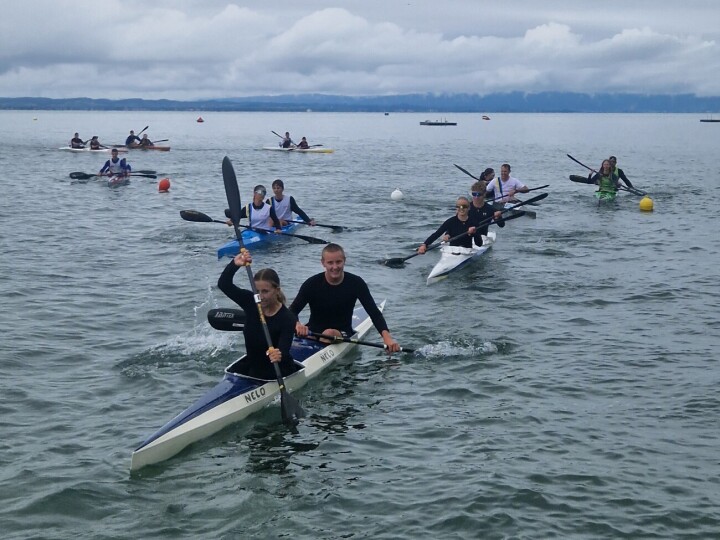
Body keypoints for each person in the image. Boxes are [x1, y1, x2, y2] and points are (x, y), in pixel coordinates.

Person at [290, 243, 401, 352]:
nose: (335, 267)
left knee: (328, 333)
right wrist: (297, 324)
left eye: (338, 262)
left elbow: (374, 313)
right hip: (313, 332)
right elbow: (292, 311)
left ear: (344, 261)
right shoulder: (311, 283)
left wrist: (387, 338)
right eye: (330, 263)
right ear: (323, 263)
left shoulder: (356, 283)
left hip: (342, 332)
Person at [218, 250, 299, 380]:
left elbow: (283, 350)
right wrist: (235, 264)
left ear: (277, 291)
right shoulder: (251, 301)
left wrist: (278, 355)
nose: (260, 297)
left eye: (265, 291)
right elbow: (224, 285)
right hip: (253, 370)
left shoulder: (288, 318)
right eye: (257, 291)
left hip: (278, 371)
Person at [416, 196, 483, 253]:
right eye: (458, 207)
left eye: (464, 206)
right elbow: (436, 234)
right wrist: (424, 245)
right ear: (456, 208)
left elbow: (479, 244)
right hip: (451, 252)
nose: (461, 209)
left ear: (469, 208)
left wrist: (475, 233)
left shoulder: (474, 222)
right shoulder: (450, 221)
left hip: (467, 252)